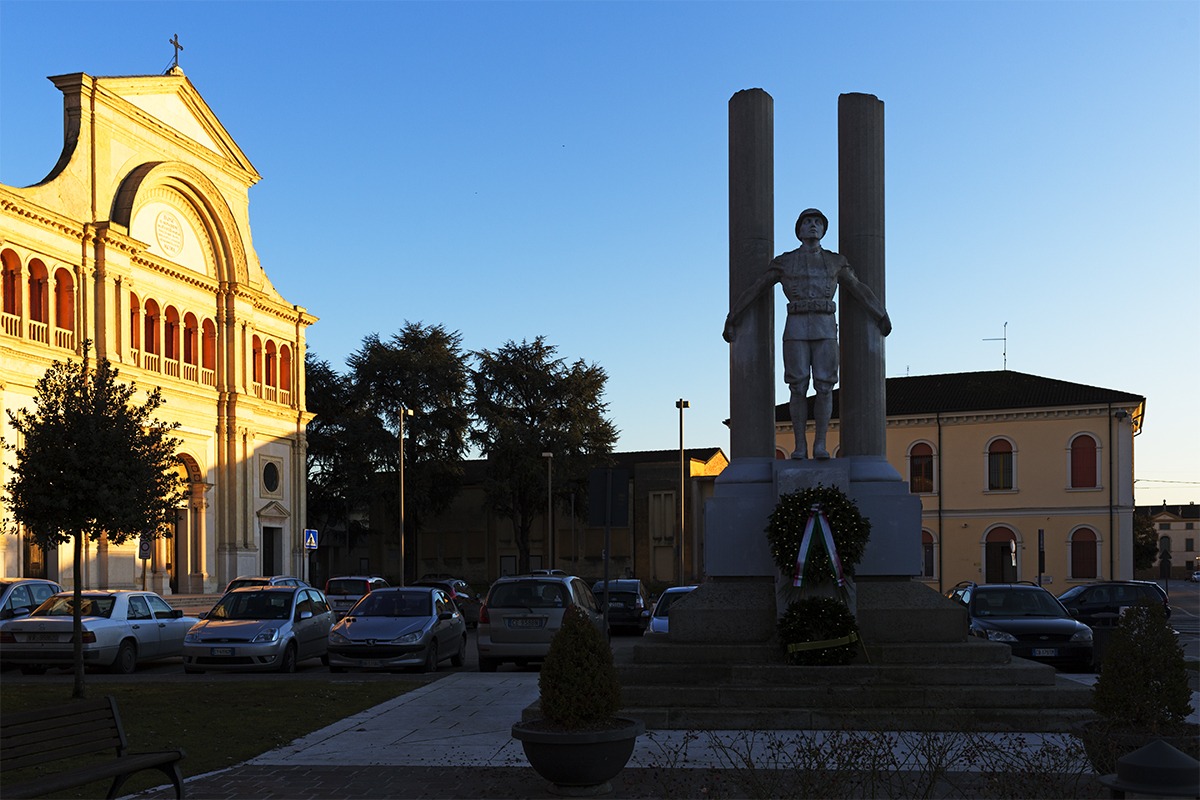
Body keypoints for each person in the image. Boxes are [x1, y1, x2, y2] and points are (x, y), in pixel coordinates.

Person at [723, 208, 891, 459]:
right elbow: (756, 289)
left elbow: (858, 288)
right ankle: (800, 445)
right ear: (799, 231)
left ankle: (820, 444)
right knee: (797, 386)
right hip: (796, 326)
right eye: (807, 222)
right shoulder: (785, 261)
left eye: (817, 222)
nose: (813, 225)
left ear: (824, 230)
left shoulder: (836, 261)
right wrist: (733, 316)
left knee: (825, 386)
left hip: (825, 326)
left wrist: (880, 313)